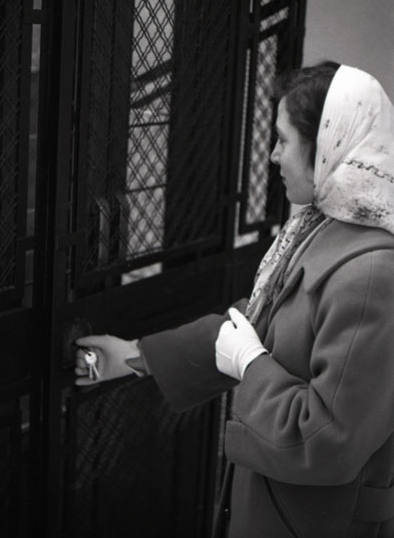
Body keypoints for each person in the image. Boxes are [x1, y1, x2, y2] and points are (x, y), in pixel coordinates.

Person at [75, 62, 394, 538]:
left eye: (283, 140)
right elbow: (254, 325)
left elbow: (329, 441)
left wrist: (251, 365)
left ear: (328, 146)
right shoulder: (323, 225)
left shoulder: (372, 274)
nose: (273, 155)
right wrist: (136, 356)